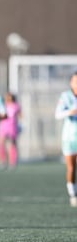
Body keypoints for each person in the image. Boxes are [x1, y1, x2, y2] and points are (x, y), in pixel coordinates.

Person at [55, 72, 77, 207]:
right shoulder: (65, 96)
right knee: (71, 168)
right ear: (71, 83)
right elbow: (57, 114)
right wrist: (70, 112)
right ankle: (72, 194)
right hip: (69, 137)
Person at [0, 93, 21, 169]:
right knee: (1, 143)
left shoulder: (16, 106)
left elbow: (20, 115)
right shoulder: (4, 105)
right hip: (4, 126)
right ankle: (3, 161)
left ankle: (13, 161)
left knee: (13, 144)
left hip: (12, 127)